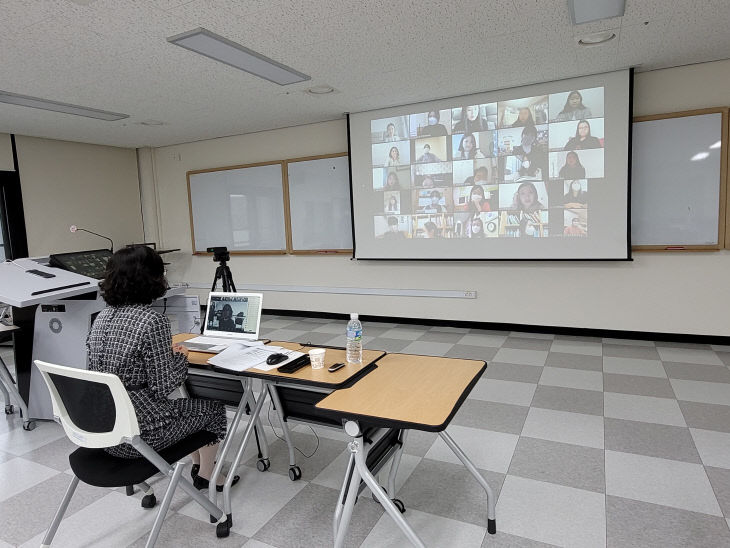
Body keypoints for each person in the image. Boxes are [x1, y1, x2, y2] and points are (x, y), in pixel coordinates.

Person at [88, 246, 238, 491]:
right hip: (141, 435)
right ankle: (208, 476)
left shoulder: (102, 317)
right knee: (213, 410)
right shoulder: (152, 321)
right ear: (153, 278)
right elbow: (163, 386)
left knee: (189, 408)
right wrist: (180, 358)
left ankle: (199, 466)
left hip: (106, 430)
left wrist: (160, 357)